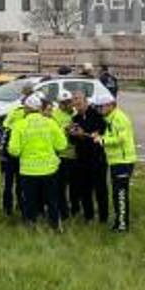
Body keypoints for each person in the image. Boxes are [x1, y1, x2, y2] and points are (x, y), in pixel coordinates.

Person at [7, 95, 67, 228]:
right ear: (40, 108)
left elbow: (14, 150)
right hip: (50, 169)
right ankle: (55, 225)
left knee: (30, 200)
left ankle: (31, 224)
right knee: (52, 200)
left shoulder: (19, 125)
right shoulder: (50, 123)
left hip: (28, 170)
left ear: (26, 109)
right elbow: (62, 145)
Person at [94, 94, 136, 233]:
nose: (99, 110)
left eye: (101, 107)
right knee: (116, 193)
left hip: (123, 161)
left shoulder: (119, 118)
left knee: (120, 194)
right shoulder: (109, 118)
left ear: (110, 105)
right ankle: (118, 222)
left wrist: (103, 140)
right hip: (115, 161)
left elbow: (121, 138)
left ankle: (122, 225)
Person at [67, 91, 109, 224]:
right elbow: (73, 141)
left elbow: (99, 136)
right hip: (81, 158)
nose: (76, 102)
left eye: (78, 99)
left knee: (100, 189)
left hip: (97, 158)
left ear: (86, 101)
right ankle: (88, 216)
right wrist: (71, 133)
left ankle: (103, 217)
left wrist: (83, 134)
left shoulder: (97, 116)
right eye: (74, 100)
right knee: (85, 189)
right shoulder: (75, 119)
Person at [0, 82, 37, 217]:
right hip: (13, 151)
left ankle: (17, 207)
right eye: (26, 96)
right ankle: (9, 208)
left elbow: (5, 127)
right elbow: (5, 127)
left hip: (20, 152)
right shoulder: (17, 112)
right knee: (11, 183)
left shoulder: (27, 113)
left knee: (18, 183)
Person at [51, 90, 77, 218]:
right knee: (61, 186)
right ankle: (63, 211)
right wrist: (65, 129)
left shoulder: (75, 113)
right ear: (59, 103)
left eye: (69, 102)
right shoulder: (54, 115)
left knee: (75, 185)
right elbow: (53, 133)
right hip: (61, 155)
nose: (67, 105)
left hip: (75, 154)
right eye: (64, 103)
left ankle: (75, 208)